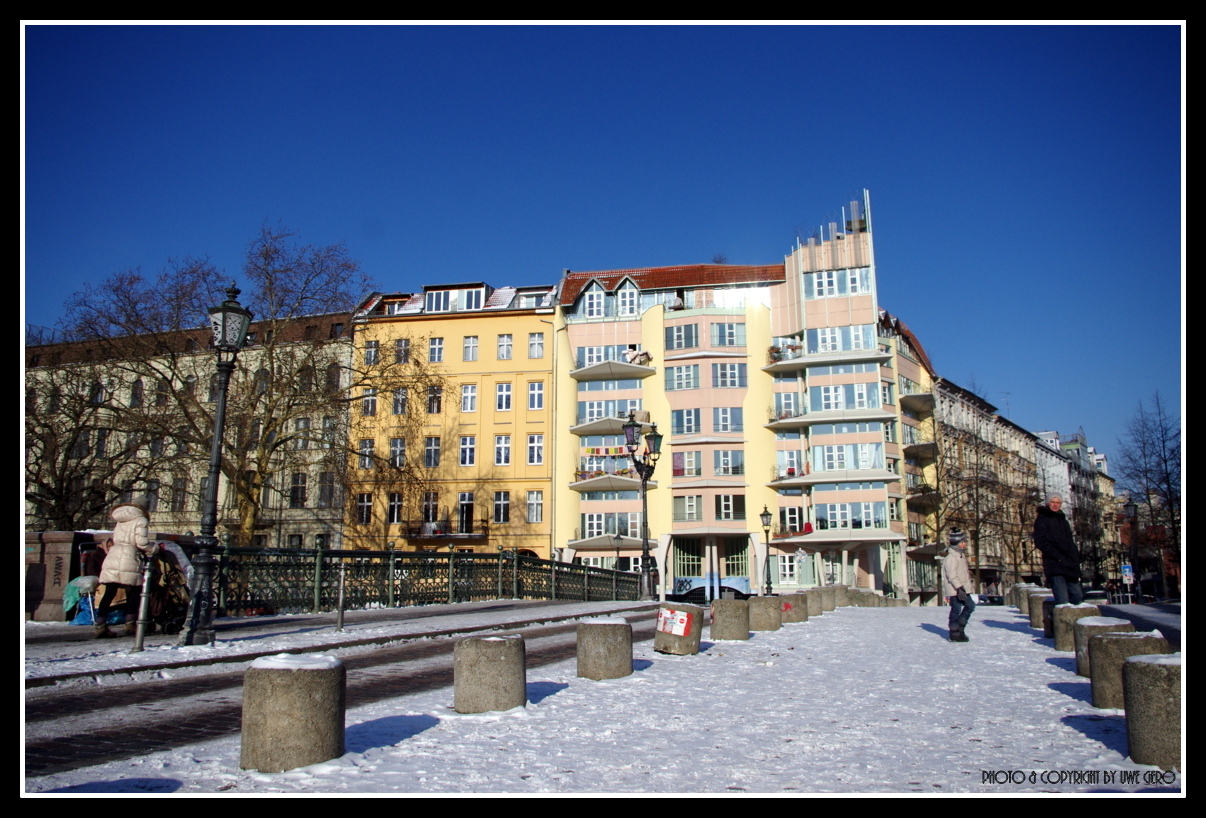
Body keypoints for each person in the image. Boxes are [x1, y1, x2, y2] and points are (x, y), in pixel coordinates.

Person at [95, 501, 156, 638]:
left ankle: (100, 626)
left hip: (114, 556)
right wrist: (154, 548)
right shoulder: (141, 519)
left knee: (109, 592)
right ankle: (130, 624)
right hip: (129, 557)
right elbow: (141, 543)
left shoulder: (121, 519)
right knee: (135, 591)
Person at [1033, 494, 1083, 606]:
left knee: (1077, 595)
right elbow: (1040, 542)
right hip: (1055, 564)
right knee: (1062, 598)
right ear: (1048, 503)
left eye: (1058, 502)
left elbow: (1070, 541)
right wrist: (1057, 556)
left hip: (1070, 564)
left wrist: (1074, 556)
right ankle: (1057, 619)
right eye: (1053, 502)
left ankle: (1067, 619)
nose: (1055, 505)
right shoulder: (1042, 520)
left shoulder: (1063, 521)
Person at [942, 529, 975, 642]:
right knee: (956, 609)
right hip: (956, 589)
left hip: (963, 588)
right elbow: (951, 575)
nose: (965, 543)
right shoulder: (951, 557)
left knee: (970, 606)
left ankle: (960, 628)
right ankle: (954, 632)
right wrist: (959, 587)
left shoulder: (960, 555)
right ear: (957, 543)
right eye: (963, 542)